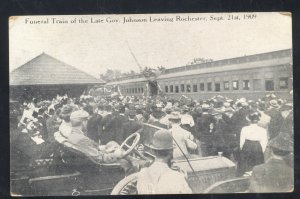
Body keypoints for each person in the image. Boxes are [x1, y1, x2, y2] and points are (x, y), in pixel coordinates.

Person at [136, 129, 192, 194]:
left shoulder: (142, 174)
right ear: (171, 151)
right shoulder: (176, 177)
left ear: (153, 151)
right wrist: (184, 180)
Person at [239, 112, 268, 176]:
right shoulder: (262, 130)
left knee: (246, 164)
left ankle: (245, 175)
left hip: (246, 146)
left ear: (249, 120)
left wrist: (243, 149)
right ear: (258, 121)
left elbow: (242, 141)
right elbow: (264, 142)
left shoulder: (244, 128)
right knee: (257, 164)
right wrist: (261, 151)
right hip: (257, 147)